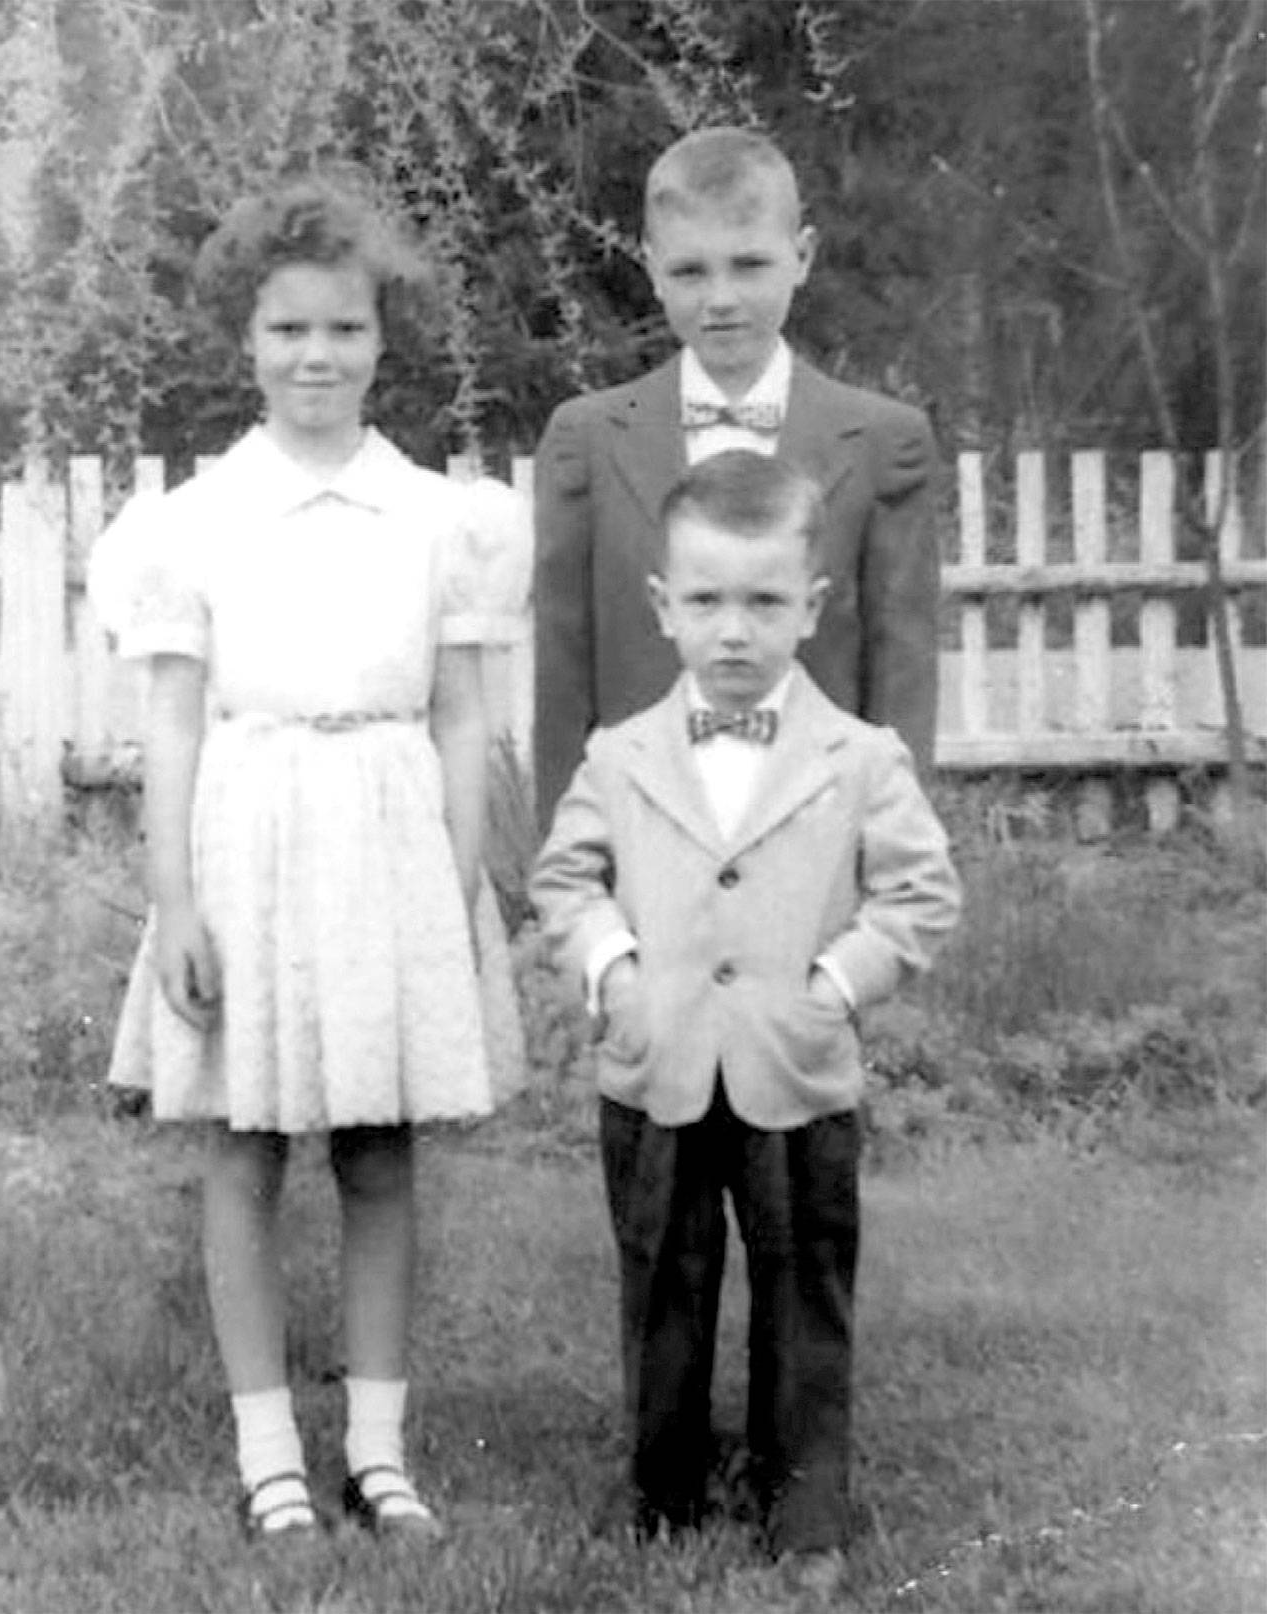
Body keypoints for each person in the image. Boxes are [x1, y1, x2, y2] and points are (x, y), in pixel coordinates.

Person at [89, 176, 526, 1541]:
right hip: (250, 840)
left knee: (382, 1151)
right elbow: (174, 721)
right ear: (248, 339)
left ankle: (378, 1452)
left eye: (343, 328)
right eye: (288, 330)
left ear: (383, 338)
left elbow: (462, 716)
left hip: (392, 837)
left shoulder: (440, 518)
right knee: (244, 1148)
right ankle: (270, 1452)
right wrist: (174, 899)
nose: (316, 356)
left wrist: (456, 884)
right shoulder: (195, 521)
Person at [529, 451, 960, 1574]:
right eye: (707, 601)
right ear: (662, 606)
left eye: (765, 603)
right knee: (660, 1284)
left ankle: (804, 1503)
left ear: (811, 608)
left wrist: (834, 987)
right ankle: (661, 1489)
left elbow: (920, 895)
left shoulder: (860, 758)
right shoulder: (619, 754)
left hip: (796, 1071)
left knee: (804, 1288)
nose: (734, 632)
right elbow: (563, 880)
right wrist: (615, 970)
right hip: (656, 1065)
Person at [532, 124, 940, 833]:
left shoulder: (882, 443)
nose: (720, 298)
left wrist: (892, 855)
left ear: (802, 256)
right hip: (644, 832)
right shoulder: (588, 440)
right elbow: (564, 677)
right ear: (652, 268)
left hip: (818, 831)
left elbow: (902, 675)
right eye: (691, 272)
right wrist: (571, 860)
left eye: (749, 265)